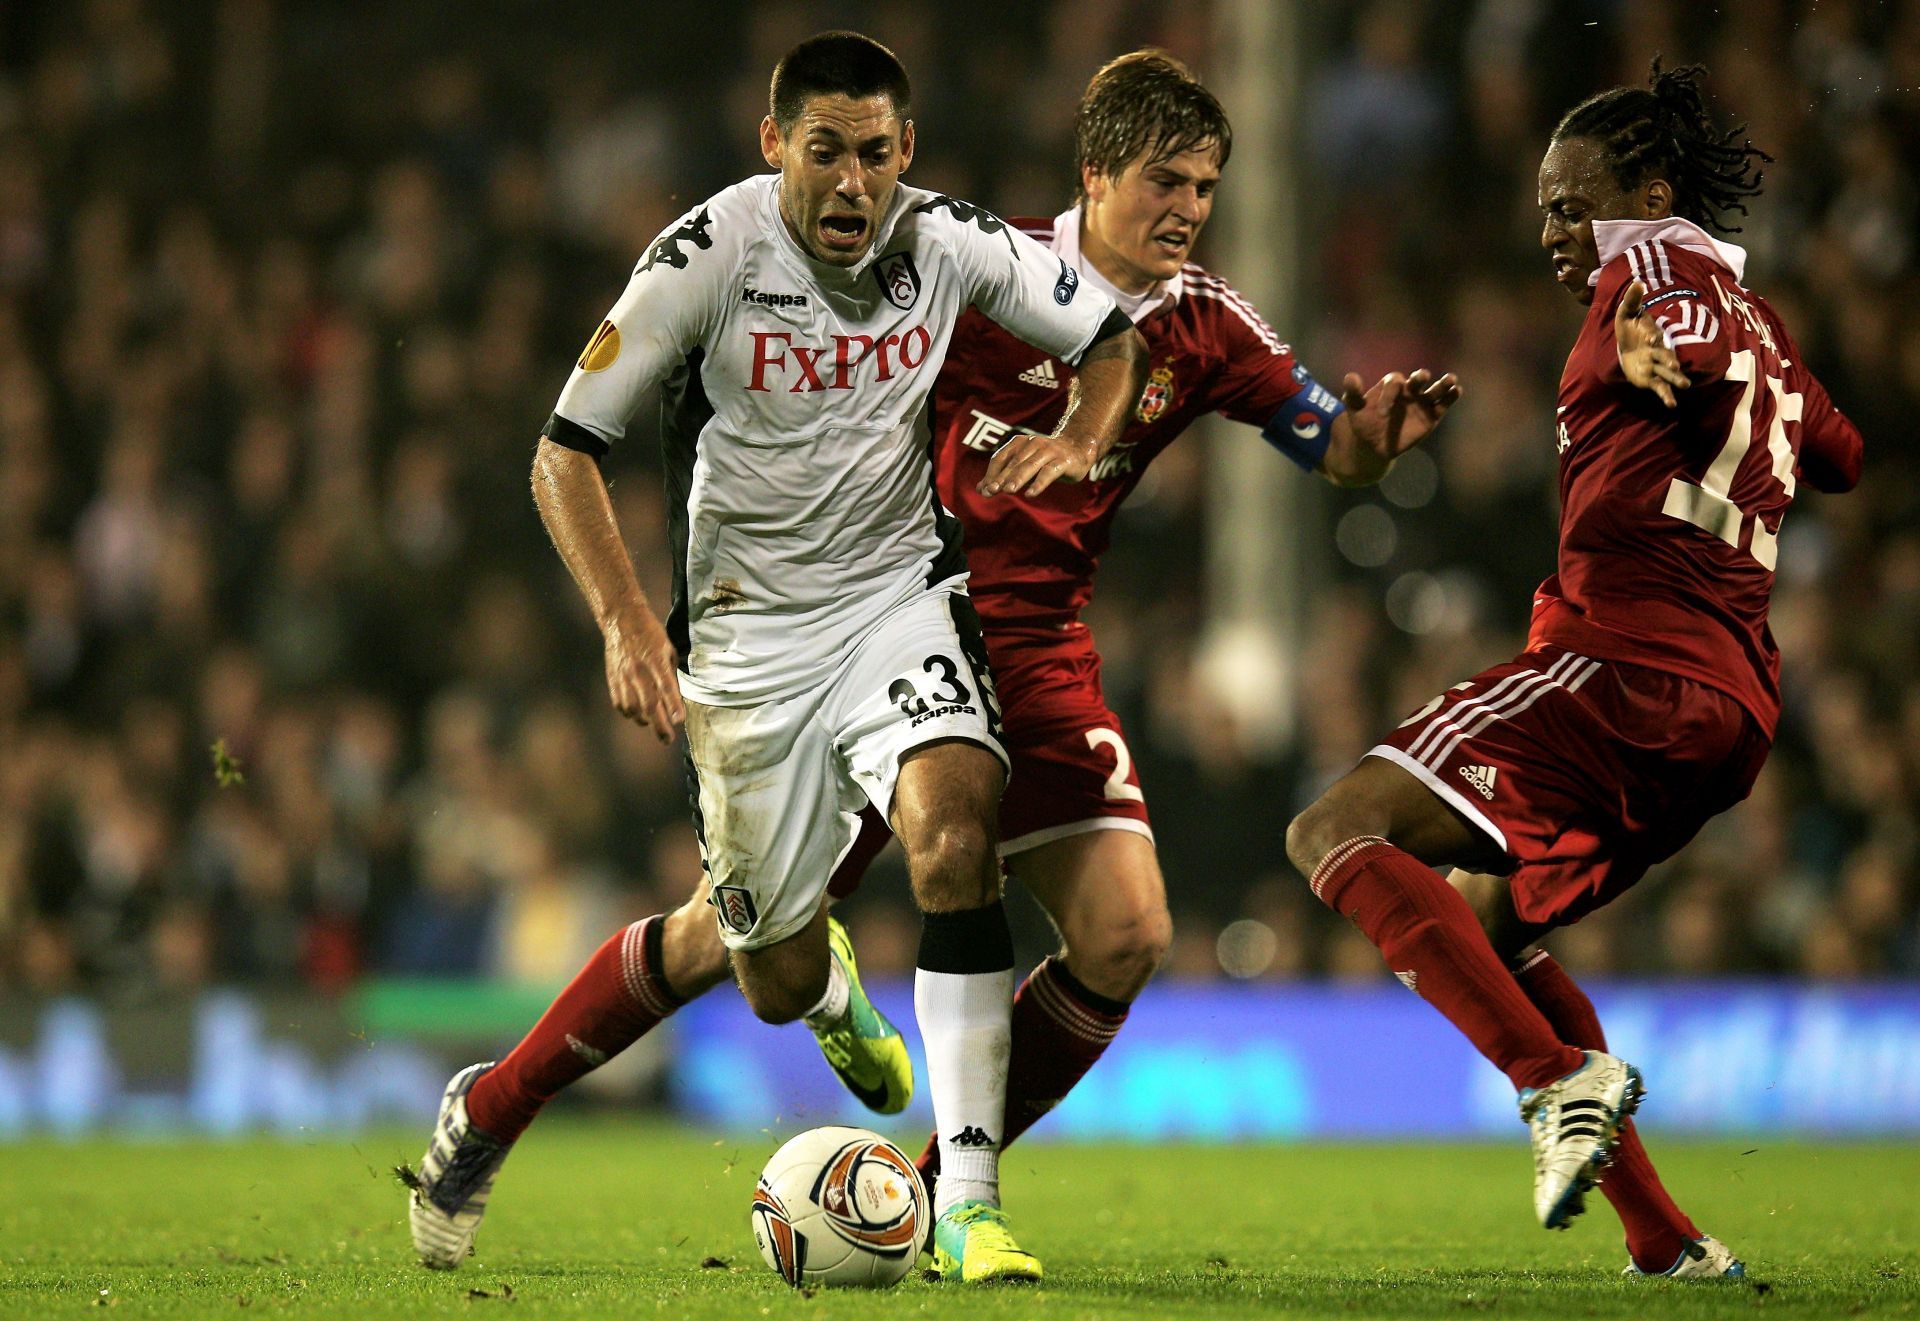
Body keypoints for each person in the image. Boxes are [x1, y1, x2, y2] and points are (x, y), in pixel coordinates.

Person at [402, 30, 1148, 1285]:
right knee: (766, 968)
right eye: (823, 153)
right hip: (745, 645)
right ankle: (770, 1012)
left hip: (897, 598)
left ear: (905, 151)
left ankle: (966, 1195)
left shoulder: (948, 241)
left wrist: (1082, 433)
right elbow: (563, 449)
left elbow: (1113, 339)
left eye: (873, 154)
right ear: (773, 148)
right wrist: (630, 624)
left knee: (956, 827)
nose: (851, 182)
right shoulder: (707, 254)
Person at [815, 48, 1458, 1195]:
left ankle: (925, 1188)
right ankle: (493, 1111)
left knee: (1126, 933)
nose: (1190, 210)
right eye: (1168, 181)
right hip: (901, 640)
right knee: (746, 943)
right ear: (1098, 172)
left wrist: (1373, 440)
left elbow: (1331, 442)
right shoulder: (978, 269)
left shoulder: (1203, 322)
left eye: (1207, 188)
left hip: (1046, 656)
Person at [1285, 61, 1862, 1279]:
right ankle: (1665, 1238)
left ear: (1648, 194)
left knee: (1332, 831)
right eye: (1545, 208)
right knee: (1487, 927)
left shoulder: (1651, 272)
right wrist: (1735, 393)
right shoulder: (1767, 324)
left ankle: (1554, 1082)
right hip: (1733, 709)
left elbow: (1679, 328)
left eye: (1571, 204)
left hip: (1623, 661)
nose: (1553, 231)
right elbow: (1843, 452)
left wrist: (1669, 357)